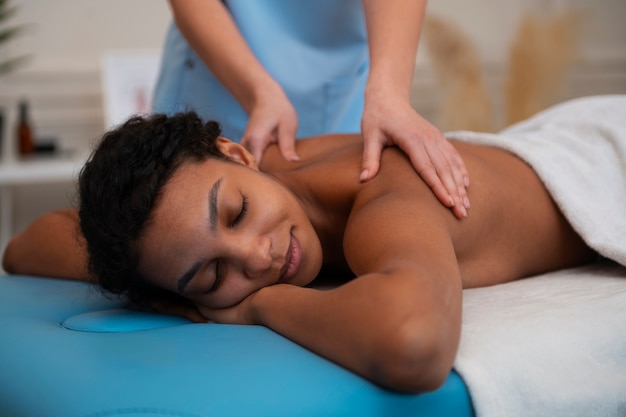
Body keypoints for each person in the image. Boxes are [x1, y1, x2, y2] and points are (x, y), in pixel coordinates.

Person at [4, 95, 624, 393]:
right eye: (211, 276)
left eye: (239, 211)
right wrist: (158, 280)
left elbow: (414, 344)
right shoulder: (244, 186)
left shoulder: (387, 196)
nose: (256, 256)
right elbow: (28, 246)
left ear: (237, 152)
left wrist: (251, 306)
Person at [154, 0, 471, 217]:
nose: (260, 256)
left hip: (343, 78)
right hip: (220, 69)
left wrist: (390, 93)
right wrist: (257, 92)